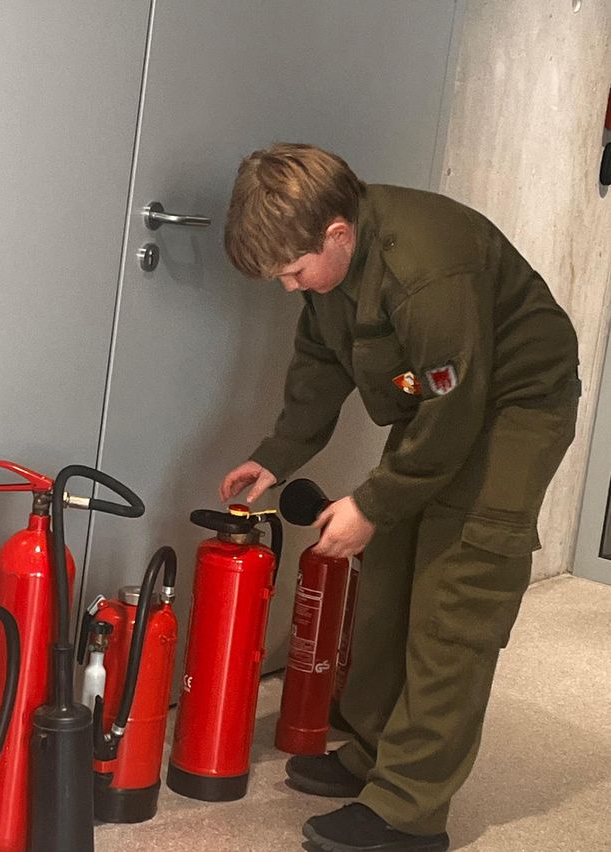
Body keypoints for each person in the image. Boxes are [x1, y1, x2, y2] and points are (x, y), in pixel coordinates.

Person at [220, 143, 580, 852]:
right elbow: (322, 361)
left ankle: (408, 812)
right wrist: (275, 457)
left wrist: (374, 503)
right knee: (387, 580)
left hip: (513, 404)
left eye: (293, 271)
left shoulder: (425, 268)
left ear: (336, 234)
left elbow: (460, 405)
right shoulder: (337, 274)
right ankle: (374, 752)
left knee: (458, 592)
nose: (289, 287)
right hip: (445, 401)